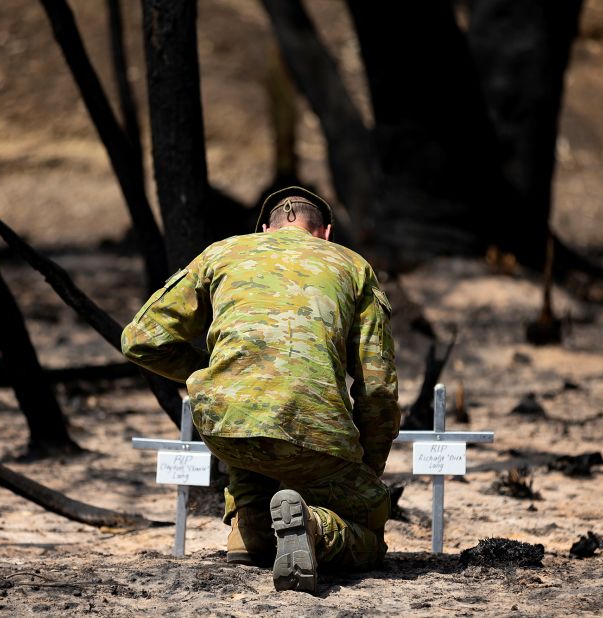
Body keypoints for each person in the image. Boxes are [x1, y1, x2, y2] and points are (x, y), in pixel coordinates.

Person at [121, 186, 400, 594]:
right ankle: (313, 528)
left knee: (254, 433)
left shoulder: (221, 253)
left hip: (227, 428)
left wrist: (213, 373)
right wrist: (367, 469)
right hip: (317, 438)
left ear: (265, 229)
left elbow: (140, 338)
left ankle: (249, 532)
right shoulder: (354, 266)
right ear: (325, 234)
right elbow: (378, 391)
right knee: (373, 522)